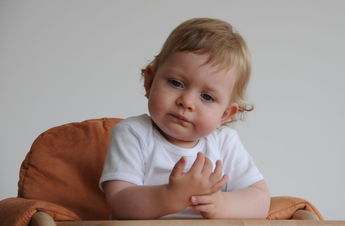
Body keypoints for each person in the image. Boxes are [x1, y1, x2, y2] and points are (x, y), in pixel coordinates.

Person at [99, 18, 270, 219]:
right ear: (149, 81)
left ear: (225, 115)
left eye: (207, 97)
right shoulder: (133, 133)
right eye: (176, 83)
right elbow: (120, 201)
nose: (186, 101)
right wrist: (169, 196)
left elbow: (260, 200)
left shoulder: (224, 142)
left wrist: (221, 204)